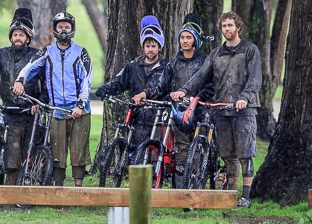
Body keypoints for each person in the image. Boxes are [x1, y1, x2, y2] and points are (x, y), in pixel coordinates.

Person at [171, 12, 262, 208]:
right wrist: (183, 90)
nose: (227, 29)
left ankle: (245, 197)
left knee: (245, 154)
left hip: (244, 110)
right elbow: (200, 76)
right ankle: (230, 195)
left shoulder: (249, 50)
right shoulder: (216, 54)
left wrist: (244, 99)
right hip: (221, 109)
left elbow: (255, 80)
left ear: (238, 27)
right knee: (228, 155)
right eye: (224, 26)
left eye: (230, 25)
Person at [13, 12, 93, 187]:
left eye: (67, 27)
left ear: (72, 29)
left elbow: (86, 80)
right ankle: (58, 190)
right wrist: (20, 81)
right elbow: (29, 67)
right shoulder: (47, 52)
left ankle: (78, 188)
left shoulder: (81, 53)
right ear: (54, 29)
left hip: (79, 111)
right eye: (60, 27)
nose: (63, 30)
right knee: (58, 153)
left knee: (78, 152)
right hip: (56, 111)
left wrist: (80, 105)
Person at [0, 8, 46, 185]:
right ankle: (10, 194)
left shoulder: (38, 56)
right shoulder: (1, 54)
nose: (18, 38)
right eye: (15, 35)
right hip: (10, 115)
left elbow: (47, 85)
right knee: (11, 161)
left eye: (21, 35)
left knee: (31, 156)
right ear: (10, 37)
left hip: (31, 115)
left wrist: (41, 103)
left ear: (28, 37)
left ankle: (30, 191)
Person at [145, 14, 215, 189]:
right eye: (182, 37)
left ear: (195, 40)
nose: (184, 41)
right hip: (179, 116)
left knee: (199, 154)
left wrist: (199, 98)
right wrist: (146, 95)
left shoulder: (204, 62)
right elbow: (161, 87)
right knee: (181, 153)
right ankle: (179, 191)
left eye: (188, 38)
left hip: (200, 113)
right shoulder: (173, 63)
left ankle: (198, 188)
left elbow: (212, 86)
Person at [93, 15, 168, 159]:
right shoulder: (133, 66)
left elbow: (160, 87)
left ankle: (153, 178)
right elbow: (119, 82)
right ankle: (133, 175)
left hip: (157, 117)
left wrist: (146, 94)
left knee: (154, 153)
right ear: (143, 46)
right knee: (135, 152)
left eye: (154, 46)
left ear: (159, 46)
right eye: (147, 46)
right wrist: (106, 89)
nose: (150, 49)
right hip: (137, 116)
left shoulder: (166, 67)